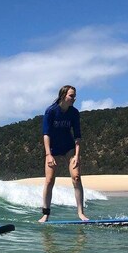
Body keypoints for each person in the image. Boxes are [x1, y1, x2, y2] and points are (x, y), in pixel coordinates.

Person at [38, 85, 88, 222]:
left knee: (76, 177)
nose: (74, 98)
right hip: (53, 149)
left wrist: (77, 155)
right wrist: (48, 154)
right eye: (71, 95)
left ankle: (81, 213)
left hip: (69, 148)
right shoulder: (51, 111)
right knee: (49, 180)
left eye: (74, 96)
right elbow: (46, 134)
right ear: (63, 96)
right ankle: (45, 214)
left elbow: (78, 136)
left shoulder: (74, 113)